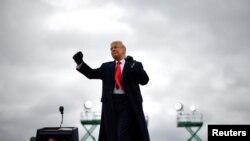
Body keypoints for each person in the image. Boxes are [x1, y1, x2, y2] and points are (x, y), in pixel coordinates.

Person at [73, 41, 150, 141]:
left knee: (123, 135)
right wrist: (80, 63)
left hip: (128, 104)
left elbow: (144, 80)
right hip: (110, 104)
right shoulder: (106, 67)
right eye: (111, 49)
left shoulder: (134, 64)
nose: (113, 49)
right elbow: (91, 74)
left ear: (123, 50)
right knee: (111, 135)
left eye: (115, 47)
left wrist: (133, 65)